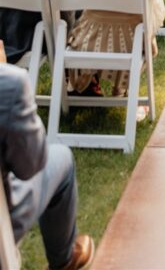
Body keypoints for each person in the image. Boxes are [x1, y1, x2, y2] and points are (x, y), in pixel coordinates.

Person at [0, 43, 95, 270]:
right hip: (3, 220)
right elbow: (31, 165)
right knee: (60, 157)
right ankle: (64, 260)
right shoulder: (8, 85)